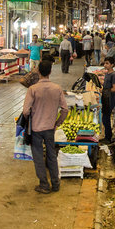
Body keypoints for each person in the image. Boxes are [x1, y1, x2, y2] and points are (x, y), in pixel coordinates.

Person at [22, 60, 69, 193]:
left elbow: (25, 111)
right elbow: (65, 109)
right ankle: (55, 183)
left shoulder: (33, 89)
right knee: (51, 156)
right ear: (50, 72)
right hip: (50, 128)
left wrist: (29, 119)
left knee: (38, 157)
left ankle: (44, 184)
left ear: (38, 71)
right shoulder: (57, 88)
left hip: (36, 129)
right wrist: (57, 122)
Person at [101, 57, 115, 143]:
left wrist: (105, 90)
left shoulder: (113, 75)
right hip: (105, 98)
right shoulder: (107, 73)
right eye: (105, 63)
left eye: (107, 63)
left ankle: (109, 138)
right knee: (105, 118)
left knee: (106, 118)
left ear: (112, 65)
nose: (105, 65)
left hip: (110, 99)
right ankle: (107, 136)